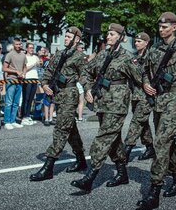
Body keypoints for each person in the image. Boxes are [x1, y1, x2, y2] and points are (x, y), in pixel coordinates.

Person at [136, 13, 176, 210]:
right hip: (159, 101)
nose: (161, 29)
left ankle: (154, 191)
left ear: (174, 27)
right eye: (160, 27)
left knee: (161, 142)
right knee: (168, 145)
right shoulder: (154, 49)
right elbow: (144, 69)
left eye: (165, 27)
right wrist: (146, 83)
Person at [71, 23, 143, 193]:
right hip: (102, 101)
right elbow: (86, 72)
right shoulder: (102, 55)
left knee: (103, 137)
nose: (108, 37)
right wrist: (88, 88)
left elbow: (140, 78)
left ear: (120, 37)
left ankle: (90, 176)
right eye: (107, 34)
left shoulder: (127, 57)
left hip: (118, 103)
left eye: (111, 34)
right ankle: (122, 173)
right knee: (113, 139)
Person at [30, 27, 87, 181]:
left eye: (69, 36)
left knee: (61, 129)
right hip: (58, 95)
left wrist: (86, 90)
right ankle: (81, 160)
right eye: (65, 36)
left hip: (70, 95)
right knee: (70, 128)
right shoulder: (59, 54)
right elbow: (48, 71)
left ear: (76, 39)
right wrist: (45, 84)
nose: (65, 38)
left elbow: (85, 76)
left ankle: (48, 167)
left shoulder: (79, 56)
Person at [124, 32, 155, 163]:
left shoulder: (151, 56)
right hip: (136, 95)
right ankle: (150, 148)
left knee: (136, 122)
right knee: (143, 123)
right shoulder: (134, 58)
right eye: (135, 41)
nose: (136, 43)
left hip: (147, 96)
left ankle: (126, 151)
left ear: (146, 43)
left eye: (139, 41)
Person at [2, 38, 27, 130]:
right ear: (13, 45)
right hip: (11, 80)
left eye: (20, 44)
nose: (19, 46)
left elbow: (25, 67)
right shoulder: (9, 55)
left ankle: (13, 121)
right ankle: (7, 121)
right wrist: (16, 71)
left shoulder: (23, 55)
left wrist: (23, 73)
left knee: (16, 103)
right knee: (9, 102)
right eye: (17, 44)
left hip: (19, 81)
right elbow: (4, 68)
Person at [21, 42, 39, 126]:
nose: (32, 49)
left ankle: (28, 115)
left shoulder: (35, 57)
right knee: (26, 98)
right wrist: (33, 65)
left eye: (33, 48)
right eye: (30, 47)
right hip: (27, 78)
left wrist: (39, 63)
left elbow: (39, 65)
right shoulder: (24, 57)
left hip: (35, 78)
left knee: (31, 98)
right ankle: (23, 115)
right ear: (27, 49)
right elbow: (25, 69)